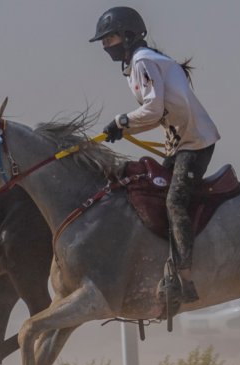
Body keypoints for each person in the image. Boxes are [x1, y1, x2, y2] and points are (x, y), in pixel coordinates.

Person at [90, 7, 220, 304]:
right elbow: (155, 113)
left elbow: (151, 109)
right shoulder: (137, 63)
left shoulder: (143, 61)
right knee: (157, 194)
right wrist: (124, 129)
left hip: (195, 142)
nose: (104, 46)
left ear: (126, 35)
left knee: (174, 201)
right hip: (179, 142)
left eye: (108, 38)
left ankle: (184, 278)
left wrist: (122, 121)